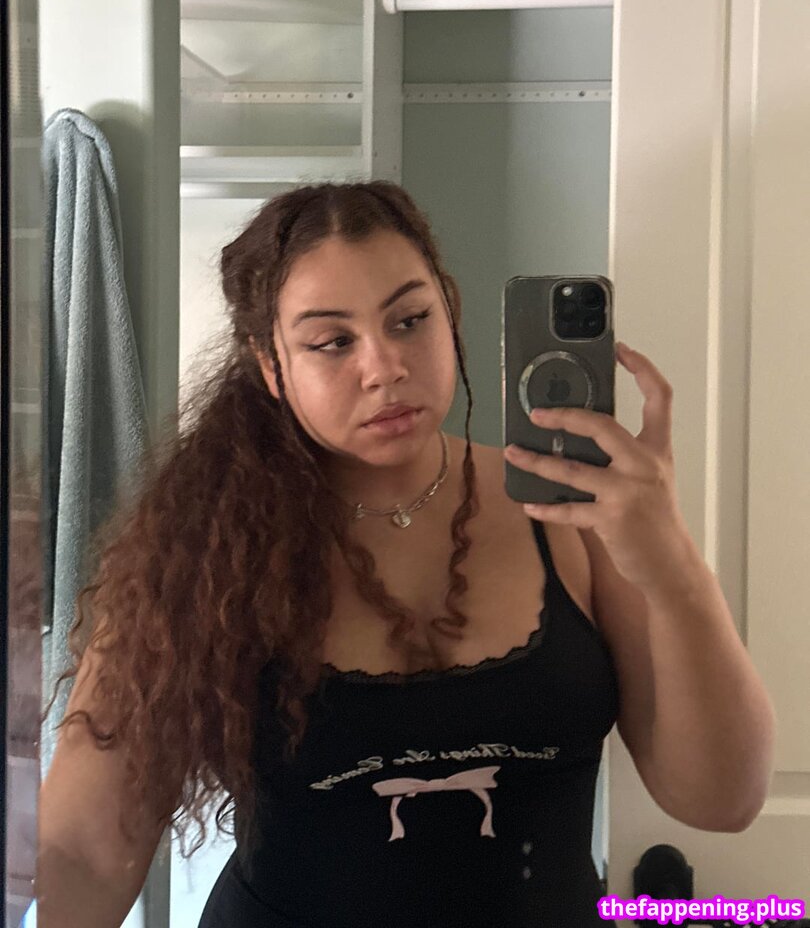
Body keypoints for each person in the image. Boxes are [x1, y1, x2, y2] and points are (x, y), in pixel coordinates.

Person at [37, 181, 620, 927]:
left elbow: (719, 796)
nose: (384, 367)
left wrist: (660, 538)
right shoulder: (197, 552)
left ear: (449, 311)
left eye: (410, 320)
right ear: (271, 365)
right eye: (333, 342)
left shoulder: (573, 513)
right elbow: (84, 851)